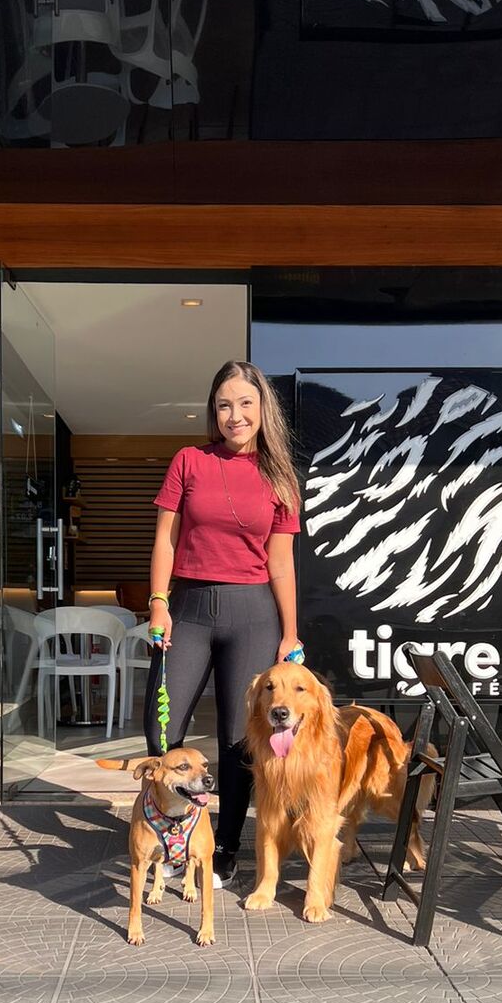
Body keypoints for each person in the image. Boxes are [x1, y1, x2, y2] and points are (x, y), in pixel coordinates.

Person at [144, 360, 301, 887]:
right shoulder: (189, 461)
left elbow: (281, 561)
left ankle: (225, 846)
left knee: (240, 741)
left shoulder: (279, 476)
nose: (235, 415)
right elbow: (165, 538)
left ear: (263, 410)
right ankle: (168, 833)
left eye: (246, 404)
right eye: (224, 405)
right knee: (162, 729)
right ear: (214, 411)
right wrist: (159, 602)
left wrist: (290, 631)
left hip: (253, 612)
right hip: (188, 606)